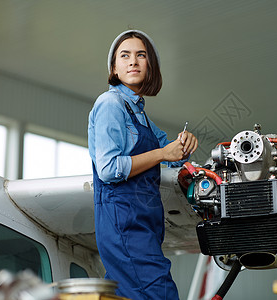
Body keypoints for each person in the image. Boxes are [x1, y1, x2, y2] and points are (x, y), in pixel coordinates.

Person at [88, 29, 198, 300]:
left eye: (141, 55)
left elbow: (174, 158)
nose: (133, 61)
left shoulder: (140, 115)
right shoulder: (110, 104)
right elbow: (109, 169)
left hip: (143, 227)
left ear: (150, 67)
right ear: (114, 67)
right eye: (124, 56)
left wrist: (183, 145)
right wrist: (163, 153)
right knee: (161, 294)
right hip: (124, 225)